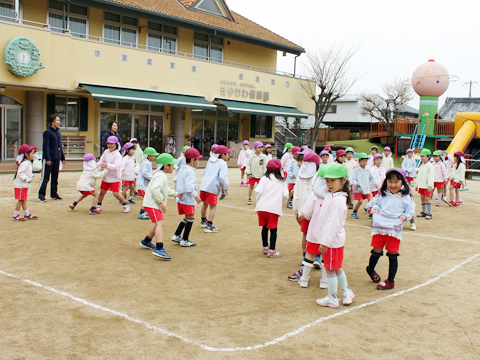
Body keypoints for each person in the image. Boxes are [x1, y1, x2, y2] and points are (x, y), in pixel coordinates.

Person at [297, 163, 355, 308]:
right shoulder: (331, 196)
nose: (329, 184)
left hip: (331, 242)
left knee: (330, 269)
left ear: (343, 181)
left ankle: (332, 297)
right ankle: (346, 291)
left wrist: (325, 242)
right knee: (335, 268)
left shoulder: (338, 200)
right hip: (332, 241)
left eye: (333, 181)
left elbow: (332, 224)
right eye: (327, 181)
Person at [365, 168, 415, 290]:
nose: (393, 185)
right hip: (380, 227)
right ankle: (370, 270)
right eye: (390, 181)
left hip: (394, 229)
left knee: (393, 255)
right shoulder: (382, 194)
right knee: (376, 251)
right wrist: (374, 209)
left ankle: (390, 281)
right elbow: (371, 205)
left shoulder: (405, 197)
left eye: (396, 182)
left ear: (403, 183)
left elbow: (410, 212)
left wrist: (405, 217)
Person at [289, 151, 321, 280]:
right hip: (316, 212)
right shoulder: (319, 177)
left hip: (303, 211)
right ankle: (317, 257)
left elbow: (295, 196)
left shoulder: (299, 177)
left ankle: (305, 257)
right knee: (316, 235)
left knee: (305, 234)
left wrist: (296, 212)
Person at [139, 153, 177, 260]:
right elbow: (155, 189)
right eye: (172, 164)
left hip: (151, 203)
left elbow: (164, 189)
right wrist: (160, 202)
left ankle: (146, 241)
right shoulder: (161, 175)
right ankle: (159, 248)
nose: (173, 166)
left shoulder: (159, 174)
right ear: (166, 166)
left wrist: (176, 193)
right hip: (152, 204)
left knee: (158, 224)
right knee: (161, 223)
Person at [254, 159, 288, 258]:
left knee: (264, 227)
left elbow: (259, 191)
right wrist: (282, 203)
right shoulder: (281, 180)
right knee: (273, 229)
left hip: (261, 207)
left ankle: (265, 247)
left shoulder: (264, 178)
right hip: (273, 209)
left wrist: (258, 201)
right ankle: (272, 250)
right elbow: (285, 194)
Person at [172, 148, 203, 247]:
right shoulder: (190, 172)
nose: (198, 161)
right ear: (193, 160)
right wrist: (196, 196)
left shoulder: (181, 169)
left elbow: (175, 181)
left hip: (181, 198)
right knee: (190, 217)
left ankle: (177, 235)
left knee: (186, 217)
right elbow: (190, 188)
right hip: (188, 199)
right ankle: (185, 239)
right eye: (197, 159)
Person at [199, 145, 230, 232]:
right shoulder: (223, 164)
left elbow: (204, 172)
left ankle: (203, 221)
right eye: (227, 154)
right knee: (213, 207)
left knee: (204, 204)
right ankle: (209, 226)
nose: (228, 156)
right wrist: (226, 187)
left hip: (204, 186)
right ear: (223, 155)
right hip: (212, 187)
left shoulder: (210, 161)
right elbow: (222, 177)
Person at [96, 136, 130, 213]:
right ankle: (99, 205)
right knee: (102, 192)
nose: (110, 145)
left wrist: (107, 165)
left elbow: (116, 166)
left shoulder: (117, 155)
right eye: (108, 143)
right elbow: (101, 161)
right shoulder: (106, 152)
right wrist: (94, 165)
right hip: (106, 176)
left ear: (116, 144)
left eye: (112, 144)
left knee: (116, 194)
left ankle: (125, 204)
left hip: (115, 177)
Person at [38, 114, 65, 202]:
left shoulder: (58, 132)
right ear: (52, 121)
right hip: (49, 159)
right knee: (45, 178)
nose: (59, 122)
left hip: (56, 158)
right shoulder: (47, 132)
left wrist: (62, 157)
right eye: (57, 120)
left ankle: (54, 194)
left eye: (59, 120)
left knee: (55, 177)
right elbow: (46, 147)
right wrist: (48, 159)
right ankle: (41, 195)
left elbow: (59, 146)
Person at [13, 144, 38, 221]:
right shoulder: (24, 163)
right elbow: (20, 173)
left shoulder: (28, 162)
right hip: (20, 185)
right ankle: (16, 215)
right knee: (21, 200)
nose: (34, 155)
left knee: (23, 199)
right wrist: (27, 179)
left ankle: (27, 214)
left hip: (23, 185)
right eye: (32, 153)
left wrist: (31, 175)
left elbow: (26, 172)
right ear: (26, 154)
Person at [351, 153, 378, 219]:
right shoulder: (356, 170)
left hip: (366, 188)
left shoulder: (368, 169)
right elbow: (353, 179)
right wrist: (356, 183)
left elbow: (371, 177)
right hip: (358, 189)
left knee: (370, 200)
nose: (365, 163)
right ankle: (354, 212)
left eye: (366, 161)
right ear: (359, 161)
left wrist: (375, 183)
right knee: (360, 201)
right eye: (363, 161)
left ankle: (371, 212)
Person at [136, 147, 159, 220]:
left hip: (144, 184)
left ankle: (144, 211)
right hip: (142, 185)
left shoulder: (148, 163)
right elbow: (144, 173)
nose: (155, 157)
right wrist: (153, 177)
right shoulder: (145, 163)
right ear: (149, 156)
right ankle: (142, 212)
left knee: (146, 198)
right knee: (146, 198)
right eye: (153, 155)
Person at [415, 148, 434, 219]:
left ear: (428, 157)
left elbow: (431, 177)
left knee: (427, 199)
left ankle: (429, 213)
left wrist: (430, 186)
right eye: (421, 156)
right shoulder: (421, 166)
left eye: (423, 156)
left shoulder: (430, 166)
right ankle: (423, 211)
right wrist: (417, 184)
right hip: (421, 185)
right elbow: (419, 176)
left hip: (426, 186)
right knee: (422, 199)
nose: (422, 157)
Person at [246, 141, 267, 205]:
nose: (260, 149)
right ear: (254, 148)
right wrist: (248, 173)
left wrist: (265, 174)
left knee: (260, 189)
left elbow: (264, 166)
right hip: (252, 175)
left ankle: (260, 199)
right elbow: (248, 165)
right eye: (258, 147)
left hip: (260, 175)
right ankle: (249, 199)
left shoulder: (263, 157)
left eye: (261, 147)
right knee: (251, 187)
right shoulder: (251, 156)